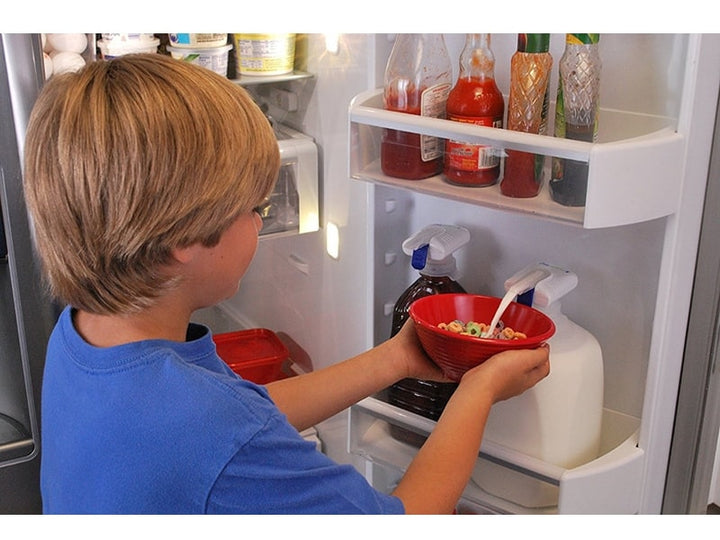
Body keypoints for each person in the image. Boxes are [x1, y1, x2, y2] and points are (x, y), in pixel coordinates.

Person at [23, 53, 550, 514]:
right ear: (183, 236)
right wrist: (478, 389)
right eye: (255, 208)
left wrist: (396, 358)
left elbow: (241, 420)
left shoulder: (80, 337)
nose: (259, 222)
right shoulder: (210, 428)